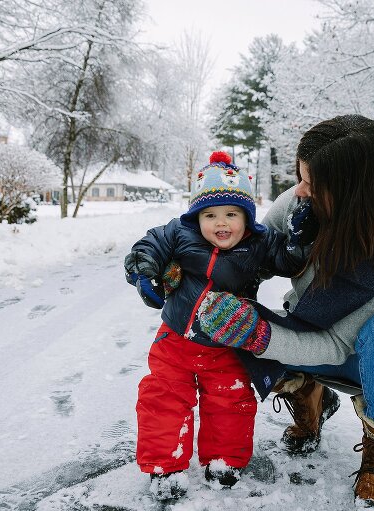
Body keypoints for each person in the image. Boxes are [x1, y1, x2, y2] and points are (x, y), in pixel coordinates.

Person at [195, 115, 374, 511]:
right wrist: (175, 256)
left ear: (354, 191)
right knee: (229, 319)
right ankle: (311, 399)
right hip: (309, 328)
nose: (300, 190)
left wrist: (261, 337)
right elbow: (245, 252)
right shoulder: (300, 204)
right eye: (300, 176)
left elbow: (335, 346)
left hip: (371, 358)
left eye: (312, 183)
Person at [124, 151, 313, 500]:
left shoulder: (258, 244)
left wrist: (299, 237)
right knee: (163, 399)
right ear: (197, 216)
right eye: (210, 215)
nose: (221, 223)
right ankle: (166, 466)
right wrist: (143, 271)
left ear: (247, 216)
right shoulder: (179, 232)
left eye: (231, 214)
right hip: (175, 341)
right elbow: (148, 245)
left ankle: (224, 461)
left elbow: (289, 261)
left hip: (227, 344)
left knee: (230, 401)